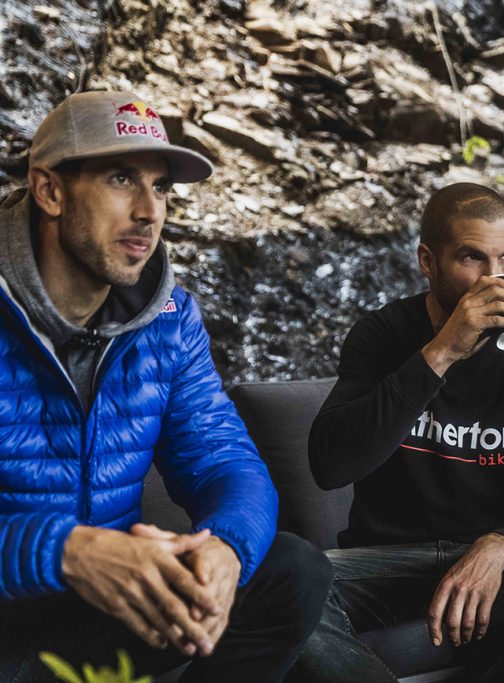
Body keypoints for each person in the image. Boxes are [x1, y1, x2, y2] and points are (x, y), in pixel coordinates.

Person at [0, 91, 332, 682]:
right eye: (122, 178)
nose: (149, 210)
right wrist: (68, 551)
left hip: (108, 608)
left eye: (161, 187)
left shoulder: (170, 319)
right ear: (50, 190)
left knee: (294, 569)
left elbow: (225, 461)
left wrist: (226, 550)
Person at [292, 182, 504, 682]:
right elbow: (331, 465)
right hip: (388, 562)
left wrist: (502, 545)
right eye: (473, 258)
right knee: (280, 582)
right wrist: (443, 352)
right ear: (427, 261)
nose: (495, 278)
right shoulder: (383, 335)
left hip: (491, 565)